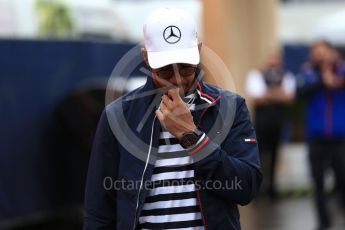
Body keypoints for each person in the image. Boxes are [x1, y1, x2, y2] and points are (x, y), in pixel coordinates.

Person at [84, 7, 262, 230]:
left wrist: (192, 138)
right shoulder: (118, 116)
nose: (177, 80)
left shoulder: (229, 107)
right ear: (146, 58)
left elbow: (247, 187)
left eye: (186, 68)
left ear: (198, 52)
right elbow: (99, 212)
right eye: (166, 70)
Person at [298, 40, 345, 230]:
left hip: (340, 138)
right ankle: (323, 222)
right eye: (316, 53)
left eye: (323, 52)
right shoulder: (308, 73)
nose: (320, 56)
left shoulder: (341, 70)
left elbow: (336, 83)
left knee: (342, 179)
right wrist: (321, 78)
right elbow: (299, 92)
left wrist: (330, 74)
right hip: (316, 138)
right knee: (318, 183)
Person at [245, 53, 296, 198]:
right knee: (259, 154)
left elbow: (288, 97)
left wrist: (268, 94)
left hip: (278, 121)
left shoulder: (287, 75)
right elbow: (257, 98)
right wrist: (277, 94)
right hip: (262, 122)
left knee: (275, 153)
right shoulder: (257, 74)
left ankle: (272, 188)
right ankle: (259, 187)